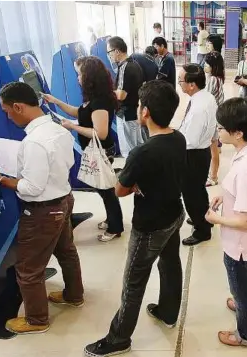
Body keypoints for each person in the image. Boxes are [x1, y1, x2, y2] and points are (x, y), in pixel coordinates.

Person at [84, 80, 186, 356]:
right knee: (169, 263)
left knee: (133, 282)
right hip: (174, 214)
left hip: (150, 225)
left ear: (145, 113)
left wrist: (131, 182)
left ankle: (119, 338)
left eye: (141, 105)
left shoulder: (143, 152)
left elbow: (119, 190)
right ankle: (168, 310)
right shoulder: (178, 138)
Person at [0, 82, 84, 334]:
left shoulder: (34, 142)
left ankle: (36, 320)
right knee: (66, 252)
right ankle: (74, 295)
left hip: (43, 211)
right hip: (64, 200)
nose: (7, 116)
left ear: (18, 107)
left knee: (28, 268)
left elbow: (31, 188)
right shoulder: (57, 129)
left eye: (6, 111)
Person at [205, 97, 247, 347]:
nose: (218, 131)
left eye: (221, 127)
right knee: (244, 284)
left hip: (242, 246)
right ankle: (242, 301)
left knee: (242, 285)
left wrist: (215, 218)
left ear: (238, 133)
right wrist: (226, 194)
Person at [42, 56, 124, 242]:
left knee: (106, 190)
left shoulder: (100, 102)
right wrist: (55, 101)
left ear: (89, 77)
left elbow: (100, 133)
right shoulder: (94, 98)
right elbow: (79, 112)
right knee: (104, 189)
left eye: (79, 74)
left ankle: (115, 227)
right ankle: (112, 220)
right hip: (97, 150)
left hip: (101, 150)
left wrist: (72, 127)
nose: (78, 78)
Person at [178, 64, 217, 246]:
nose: (179, 84)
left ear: (192, 84)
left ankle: (202, 231)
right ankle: (204, 218)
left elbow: (190, 140)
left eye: (180, 81)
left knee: (191, 194)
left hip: (193, 154)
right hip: (202, 152)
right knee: (199, 190)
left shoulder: (198, 109)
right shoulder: (205, 97)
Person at [107, 36, 144, 158]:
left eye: (109, 52)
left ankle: (134, 175)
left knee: (128, 151)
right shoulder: (135, 64)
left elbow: (121, 95)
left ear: (116, 51)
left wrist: (107, 92)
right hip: (134, 111)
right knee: (138, 146)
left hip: (126, 114)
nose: (109, 55)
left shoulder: (124, 67)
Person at [204, 51, 225, 187]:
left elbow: (207, 99)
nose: (204, 66)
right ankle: (212, 175)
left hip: (212, 118)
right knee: (213, 148)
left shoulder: (213, 80)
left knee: (213, 149)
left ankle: (213, 177)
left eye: (207, 64)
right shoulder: (217, 78)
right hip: (214, 116)